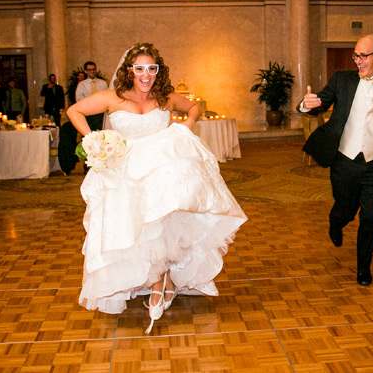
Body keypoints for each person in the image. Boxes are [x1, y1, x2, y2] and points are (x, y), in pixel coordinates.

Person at [66, 43, 246, 333]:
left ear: (158, 70)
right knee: (135, 228)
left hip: (163, 171)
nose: (146, 74)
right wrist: (94, 140)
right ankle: (161, 282)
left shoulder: (165, 97)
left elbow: (193, 105)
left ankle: (159, 284)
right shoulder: (112, 97)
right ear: (129, 71)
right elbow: (74, 111)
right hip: (126, 171)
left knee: (161, 225)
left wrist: (188, 122)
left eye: (152, 68)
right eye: (139, 69)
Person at [299, 34, 373, 286]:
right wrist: (307, 105)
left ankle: (363, 266)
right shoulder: (342, 79)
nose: (358, 61)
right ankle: (336, 222)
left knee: (370, 218)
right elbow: (319, 102)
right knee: (346, 210)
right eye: (355, 56)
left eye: (363, 56)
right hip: (345, 161)